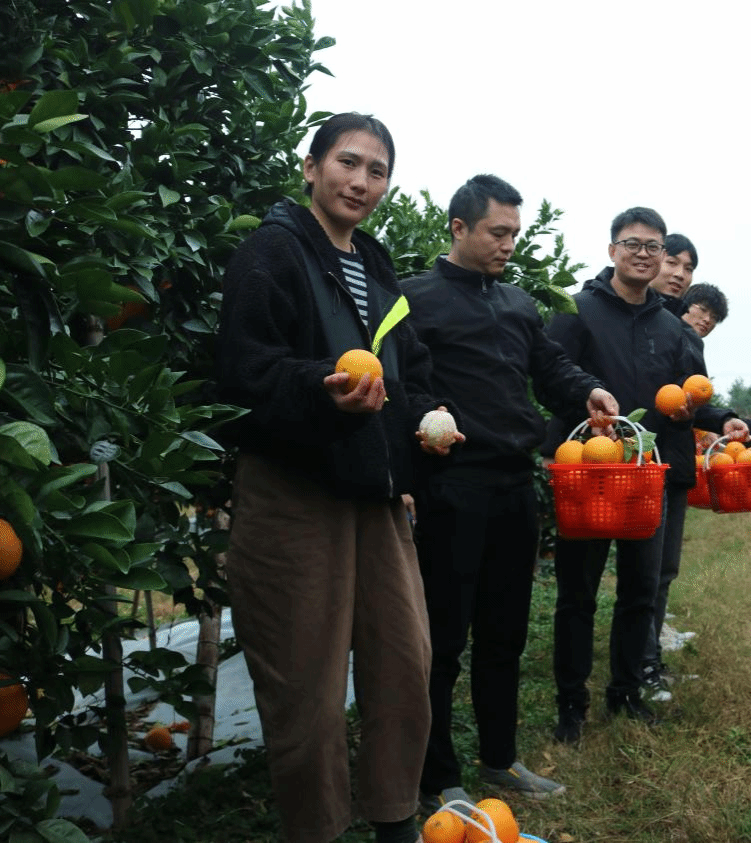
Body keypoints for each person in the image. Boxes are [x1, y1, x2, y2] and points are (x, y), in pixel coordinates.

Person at [216, 113, 458, 843]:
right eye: (347, 163)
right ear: (311, 167)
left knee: (404, 666)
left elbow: (409, 367)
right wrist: (321, 390)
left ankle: (393, 821)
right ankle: (316, 829)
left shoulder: (377, 269)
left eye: (376, 171)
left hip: (375, 496)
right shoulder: (272, 252)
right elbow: (244, 373)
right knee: (307, 689)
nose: (360, 181)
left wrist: (430, 414)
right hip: (295, 494)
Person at [402, 174, 618, 810]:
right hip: (452, 485)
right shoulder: (414, 298)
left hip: (514, 484)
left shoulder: (517, 303)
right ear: (459, 228)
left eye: (515, 234)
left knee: (505, 632)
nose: (508, 245)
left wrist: (587, 390)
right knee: (443, 638)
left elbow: (548, 367)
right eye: (498, 233)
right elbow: (399, 378)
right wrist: (421, 418)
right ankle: (437, 775)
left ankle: (499, 758)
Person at [542, 207, 747, 741]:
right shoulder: (578, 310)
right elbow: (548, 376)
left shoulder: (671, 327)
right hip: (590, 469)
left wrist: (719, 417)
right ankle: (571, 704)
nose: (643, 254)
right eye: (632, 243)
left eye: (653, 246)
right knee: (577, 594)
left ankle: (626, 693)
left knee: (640, 591)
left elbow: (690, 394)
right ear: (612, 250)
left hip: (646, 477)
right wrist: (581, 408)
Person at [641, 277, 734, 701]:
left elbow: (692, 402)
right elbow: (664, 397)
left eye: (714, 318)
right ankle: (643, 664)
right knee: (650, 572)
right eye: (703, 311)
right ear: (685, 305)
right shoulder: (664, 334)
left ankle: (651, 660)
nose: (706, 321)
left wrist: (722, 418)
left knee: (663, 571)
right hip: (651, 461)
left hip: (675, 464)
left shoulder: (688, 343)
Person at [648, 233, 697, 317]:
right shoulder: (624, 308)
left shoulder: (682, 324)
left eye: (688, 269)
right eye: (672, 262)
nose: (680, 275)